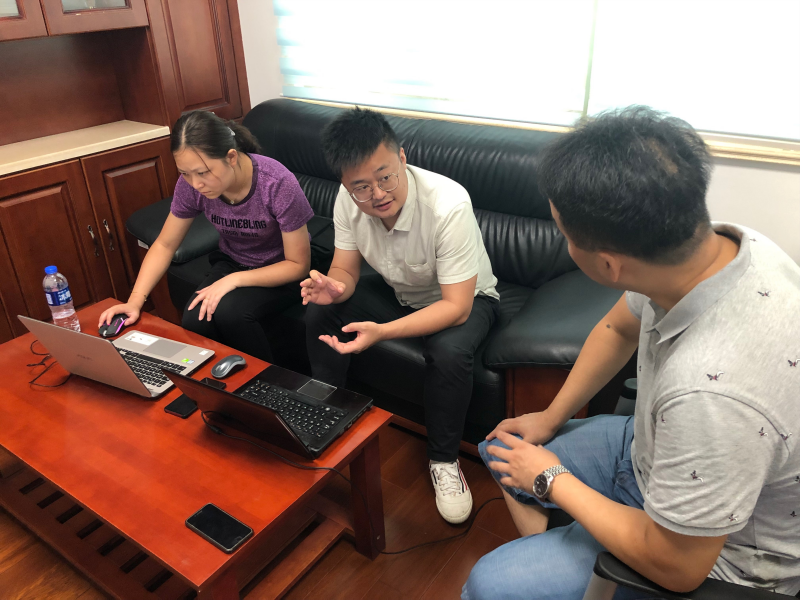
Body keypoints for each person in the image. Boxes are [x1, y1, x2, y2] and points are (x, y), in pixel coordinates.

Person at [463, 107, 800, 599]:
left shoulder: (712, 395)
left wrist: (552, 479)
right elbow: (616, 327)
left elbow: (679, 567)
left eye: (564, 234)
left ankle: (583, 567)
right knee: (501, 450)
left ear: (608, 265)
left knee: (488, 585)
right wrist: (550, 417)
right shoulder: (720, 246)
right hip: (654, 454)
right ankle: (574, 556)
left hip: (720, 553)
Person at [301, 108, 500, 524]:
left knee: (449, 353)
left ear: (402, 158)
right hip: (401, 293)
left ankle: (444, 462)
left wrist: (383, 332)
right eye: (361, 186)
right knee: (321, 311)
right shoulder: (348, 200)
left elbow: (457, 306)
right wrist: (333, 288)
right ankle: (326, 416)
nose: (376, 194)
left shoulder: (447, 204)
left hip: (465, 298)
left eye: (385, 177)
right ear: (345, 183)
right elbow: (345, 271)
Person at [99, 111, 314, 362]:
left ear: (231, 157)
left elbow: (298, 265)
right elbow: (165, 244)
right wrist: (135, 301)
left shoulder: (277, 183)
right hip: (233, 261)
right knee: (195, 319)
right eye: (185, 173)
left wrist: (234, 280)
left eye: (203, 172)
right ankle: (215, 381)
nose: (195, 184)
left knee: (232, 315)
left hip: (280, 269)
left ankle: (267, 383)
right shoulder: (191, 186)